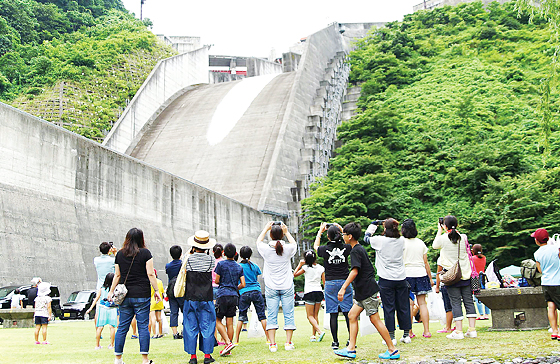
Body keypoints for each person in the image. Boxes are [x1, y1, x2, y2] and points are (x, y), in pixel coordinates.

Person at [333, 222, 399, 360]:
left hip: (367, 291)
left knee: (375, 319)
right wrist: (340, 228)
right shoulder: (357, 248)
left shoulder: (356, 251)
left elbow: (354, 271)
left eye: (344, 235)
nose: (342, 237)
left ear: (350, 236)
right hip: (363, 292)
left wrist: (343, 287)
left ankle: (392, 350)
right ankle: (351, 349)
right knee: (352, 315)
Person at [108, 227, 161, 364]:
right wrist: (156, 290)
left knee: (122, 327)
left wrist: (110, 291)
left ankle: (118, 359)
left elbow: (117, 275)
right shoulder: (145, 253)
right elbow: (150, 273)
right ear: (141, 238)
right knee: (143, 326)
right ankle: (145, 359)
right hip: (142, 294)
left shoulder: (119, 254)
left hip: (124, 296)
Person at [365, 218, 412, 345]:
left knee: (388, 307)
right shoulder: (402, 240)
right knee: (403, 306)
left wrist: (373, 225)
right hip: (401, 277)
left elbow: (366, 238)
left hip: (386, 278)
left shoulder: (380, 241)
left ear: (385, 228)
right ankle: (406, 334)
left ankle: (391, 337)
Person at [433, 215, 477, 340]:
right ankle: (472, 330)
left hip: (451, 275)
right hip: (465, 273)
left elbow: (434, 245)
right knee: (468, 300)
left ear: (445, 225)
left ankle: (458, 331)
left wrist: (440, 229)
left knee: (455, 302)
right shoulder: (464, 237)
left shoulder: (443, 238)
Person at [256, 221, 297, 352]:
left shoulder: (266, 250)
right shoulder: (288, 249)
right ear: (282, 235)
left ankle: (273, 344)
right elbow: (294, 244)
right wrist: (287, 232)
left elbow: (258, 242)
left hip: (271, 286)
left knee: (272, 315)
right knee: (289, 314)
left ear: (271, 235)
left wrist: (265, 229)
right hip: (287, 285)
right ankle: (288, 342)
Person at [314, 223, 353, 350]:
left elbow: (316, 247)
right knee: (348, 313)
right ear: (340, 235)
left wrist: (320, 232)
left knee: (333, 313)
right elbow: (351, 243)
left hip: (330, 282)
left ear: (328, 236)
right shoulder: (346, 247)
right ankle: (350, 339)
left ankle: (335, 342)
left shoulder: (324, 249)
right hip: (344, 281)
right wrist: (340, 228)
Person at [183, 230, 217, 364]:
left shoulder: (188, 258)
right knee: (207, 325)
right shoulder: (211, 259)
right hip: (206, 297)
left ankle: (193, 357)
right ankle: (207, 356)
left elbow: (184, 268)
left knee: (190, 325)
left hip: (191, 296)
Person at [401, 218, 433, 338]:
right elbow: (426, 262)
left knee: (409, 304)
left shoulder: (401, 243)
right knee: (422, 303)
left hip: (406, 274)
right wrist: (430, 278)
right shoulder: (421, 243)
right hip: (421, 273)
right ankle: (426, 331)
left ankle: (409, 332)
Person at [233, 246, 269, 345]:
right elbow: (256, 277)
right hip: (256, 291)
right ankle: (269, 339)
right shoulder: (254, 266)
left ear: (240, 255)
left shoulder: (238, 266)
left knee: (241, 316)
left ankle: (236, 340)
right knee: (262, 316)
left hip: (244, 292)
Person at [214, 243, 245, 356]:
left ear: (224, 253)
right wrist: (235, 288)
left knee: (217, 320)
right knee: (230, 323)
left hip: (222, 294)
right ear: (235, 254)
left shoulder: (221, 264)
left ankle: (227, 342)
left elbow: (217, 281)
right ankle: (229, 349)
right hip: (234, 295)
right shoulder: (239, 267)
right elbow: (243, 284)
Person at [532, 228, 560, 340]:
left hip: (546, 282)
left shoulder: (537, 253)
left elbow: (540, 270)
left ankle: (554, 331)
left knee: (551, 306)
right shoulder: (556, 249)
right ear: (548, 238)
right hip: (558, 282)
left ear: (537, 241)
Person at [294, 250, 326, 342]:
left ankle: (319, 332)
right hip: (319, 291)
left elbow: (294, 275)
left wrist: (299, 265)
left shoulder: (305, 268)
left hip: (309, 292)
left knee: (309, 316)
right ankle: (313, 335)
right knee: (315, 315)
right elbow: (324, 282)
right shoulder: (321, 268)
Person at [86, 273, 119, 349]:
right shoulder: (114, 289)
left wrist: (90, 308)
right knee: (112, 327)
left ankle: (97, 345)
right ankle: (112, 345)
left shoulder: (102, 288)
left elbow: (96, 299)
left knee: (100, 327)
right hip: (112, 308)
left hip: (102, 308)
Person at [166, 245, 184, 339]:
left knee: (173, 311)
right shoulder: (183, 264)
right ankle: (184, 330)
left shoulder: (168, 266)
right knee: (185, 310)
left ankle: (175, 333)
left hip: (171, 290)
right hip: (181, 290)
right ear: (181, 254)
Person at [471, 244, 490, 320]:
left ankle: (481, 314)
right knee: (485, 295)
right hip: (483, 277)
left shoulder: (472, 258)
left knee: (476, 296)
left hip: (475, 278)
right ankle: (487, 314)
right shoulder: (484, 258)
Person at [435, 264, 455, 334]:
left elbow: (438, 273)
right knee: (456, 304)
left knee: (448, 307)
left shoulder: (442, 259)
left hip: (445, 283)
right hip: (456, 282)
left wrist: (437, 286)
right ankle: (457, 325)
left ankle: (448, 327)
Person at [149, 269, 165, 339]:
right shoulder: (159, 282)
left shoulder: (149, 282)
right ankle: (160, 333)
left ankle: (154, 333)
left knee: (152, 318)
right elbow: (162, 291)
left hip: (152, 301)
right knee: (159, 318)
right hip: (159, 301)